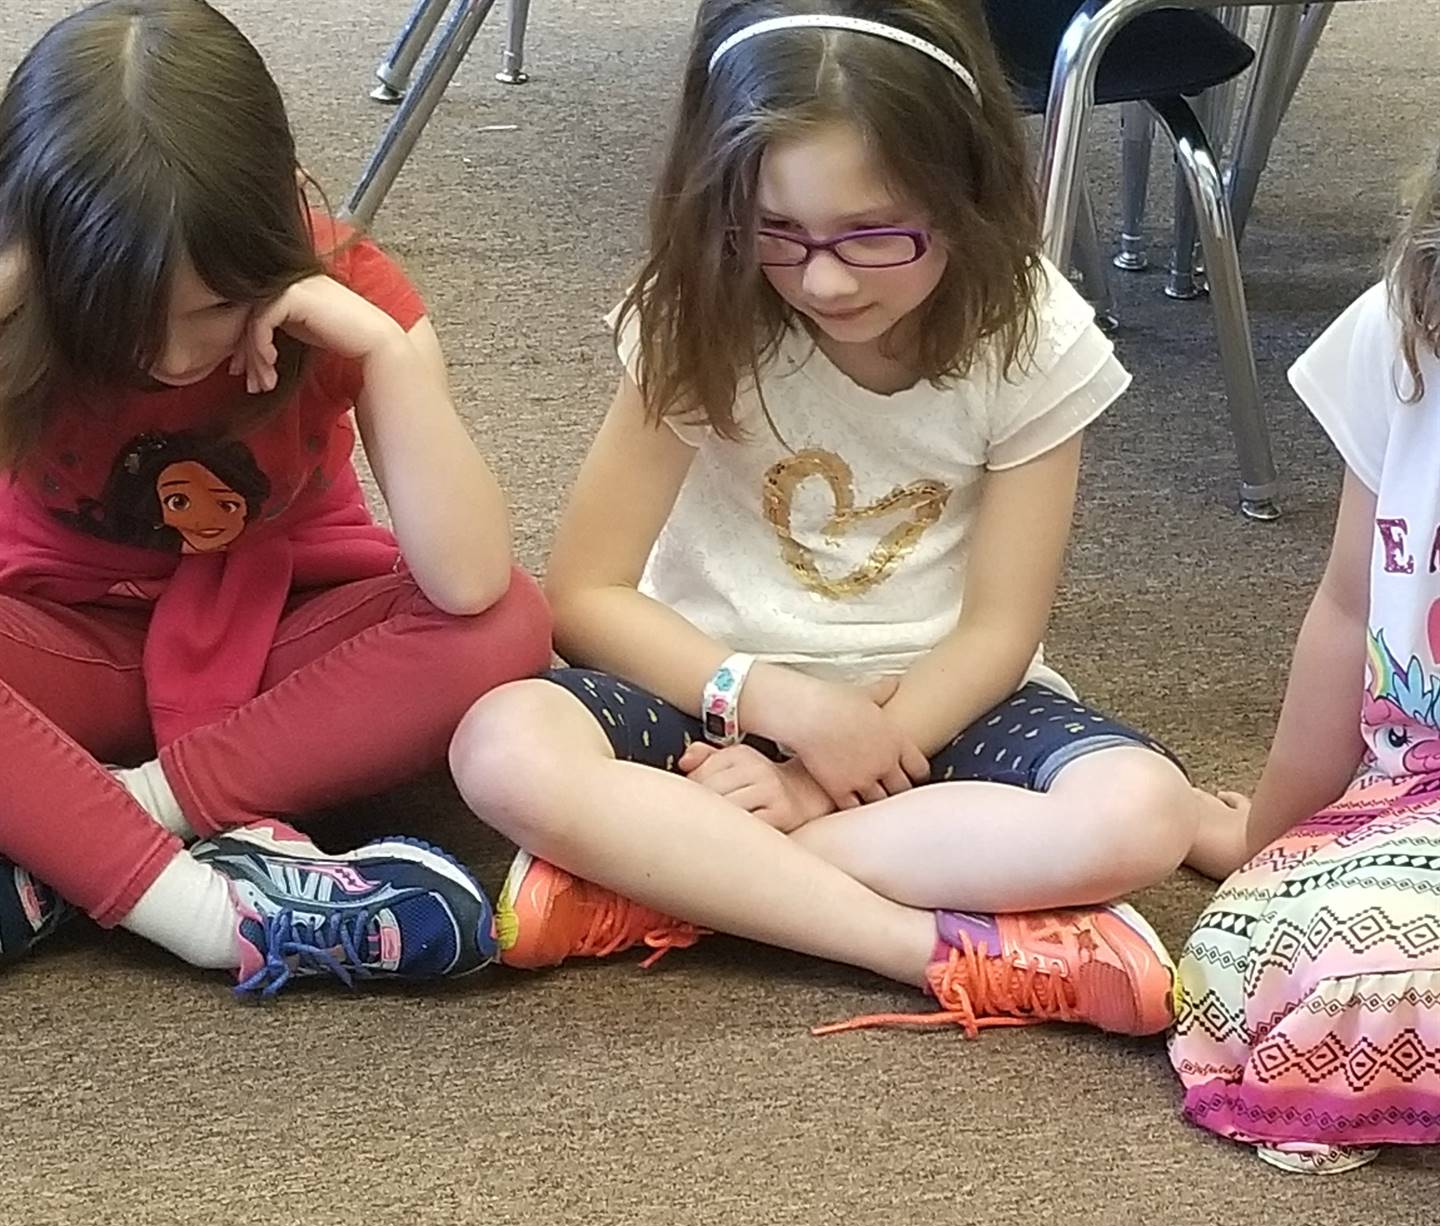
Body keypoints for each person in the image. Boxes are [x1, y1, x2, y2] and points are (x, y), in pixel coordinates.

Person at [449, 0, 1241, 1039]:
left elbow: (999, 633)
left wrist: (823, 781)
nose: (822, 277)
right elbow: (588, 593)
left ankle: (657, 874)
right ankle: (925, 948)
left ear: (967, 194)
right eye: (777, 232)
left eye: (876, 235)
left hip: (934, 711)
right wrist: (779, 705)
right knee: (500, 745)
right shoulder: (702, 304)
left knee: (1142, 814)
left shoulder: (1035, 333)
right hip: (710, 691)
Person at [0, 0, 550, 997]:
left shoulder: (345, 293)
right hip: (59, 643)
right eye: (120, 319)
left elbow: (468, 585)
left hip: (274, 652)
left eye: (214, 310)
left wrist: (387, 352)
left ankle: (78, 831)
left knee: (509, 621)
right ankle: (208, 913)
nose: (172, 357)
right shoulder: (26, 302)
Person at [1170, 150, 1440, 1172]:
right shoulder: (1408, 326)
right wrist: (1265, 857)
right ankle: (1263, 846)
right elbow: (1347, 607)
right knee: (1247, 974)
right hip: (1415, 794)